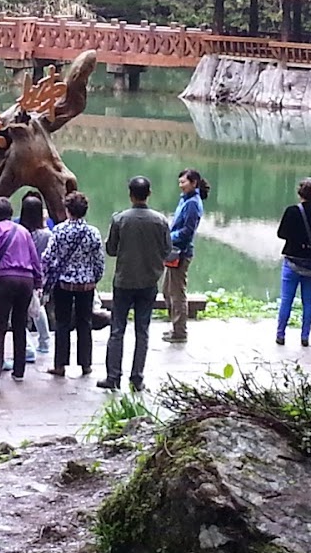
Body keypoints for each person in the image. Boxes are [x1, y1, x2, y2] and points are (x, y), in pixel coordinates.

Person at [98, 176, 171, 392]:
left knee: (117, 329)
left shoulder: (120, 219)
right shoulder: (160, 221)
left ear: (130, 195)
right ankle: (137, 378)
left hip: (124, 281)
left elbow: (111, 249)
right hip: (149, 281)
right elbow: (167, 250)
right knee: (142, 330)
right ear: (149, 194)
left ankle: (113, 376)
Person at [0, 196, 43, 387]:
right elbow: (34, 258)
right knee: (20, 324)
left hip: (5, 279)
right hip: (26, 280)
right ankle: (19, 371)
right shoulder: (23, 231)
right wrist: (38, 282)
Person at [42, 191, 105, 377]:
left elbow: (48, 257)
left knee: (62, 323)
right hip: (86, 285)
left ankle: (60, 365)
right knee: (85, 323)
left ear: (68, 210)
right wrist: (94, 278)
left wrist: (45, 277)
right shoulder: (93, 232)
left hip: (63, 284)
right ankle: (85, 364)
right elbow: (99, 261)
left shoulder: (60, 230)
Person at [274, 177, 311, 347]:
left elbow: (281, 233)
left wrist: (296, 239)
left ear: (300, 193)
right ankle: (305, 337)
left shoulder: (292, 211)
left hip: (292, 260)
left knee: (286, 299)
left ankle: (281, 334)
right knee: (308, 301)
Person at [161, 168, 208, 345]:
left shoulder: (193, 203)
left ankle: (180, 331)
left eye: (184, 182)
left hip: (181, 252)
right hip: (173, 250)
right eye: (179, 182)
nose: (181, 185)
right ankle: (175, 326)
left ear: (193, 183)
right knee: (167, 291)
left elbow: (187, 231)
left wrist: (167, 237)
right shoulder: (185, 200)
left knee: (177, 293)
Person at [18, 193, 53, 365]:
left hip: (22, 275)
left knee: (19, 313)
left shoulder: (20, 232)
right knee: (38, 309)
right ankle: (45, 341)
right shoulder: (46, 235)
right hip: (40, 278)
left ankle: (28, 348)